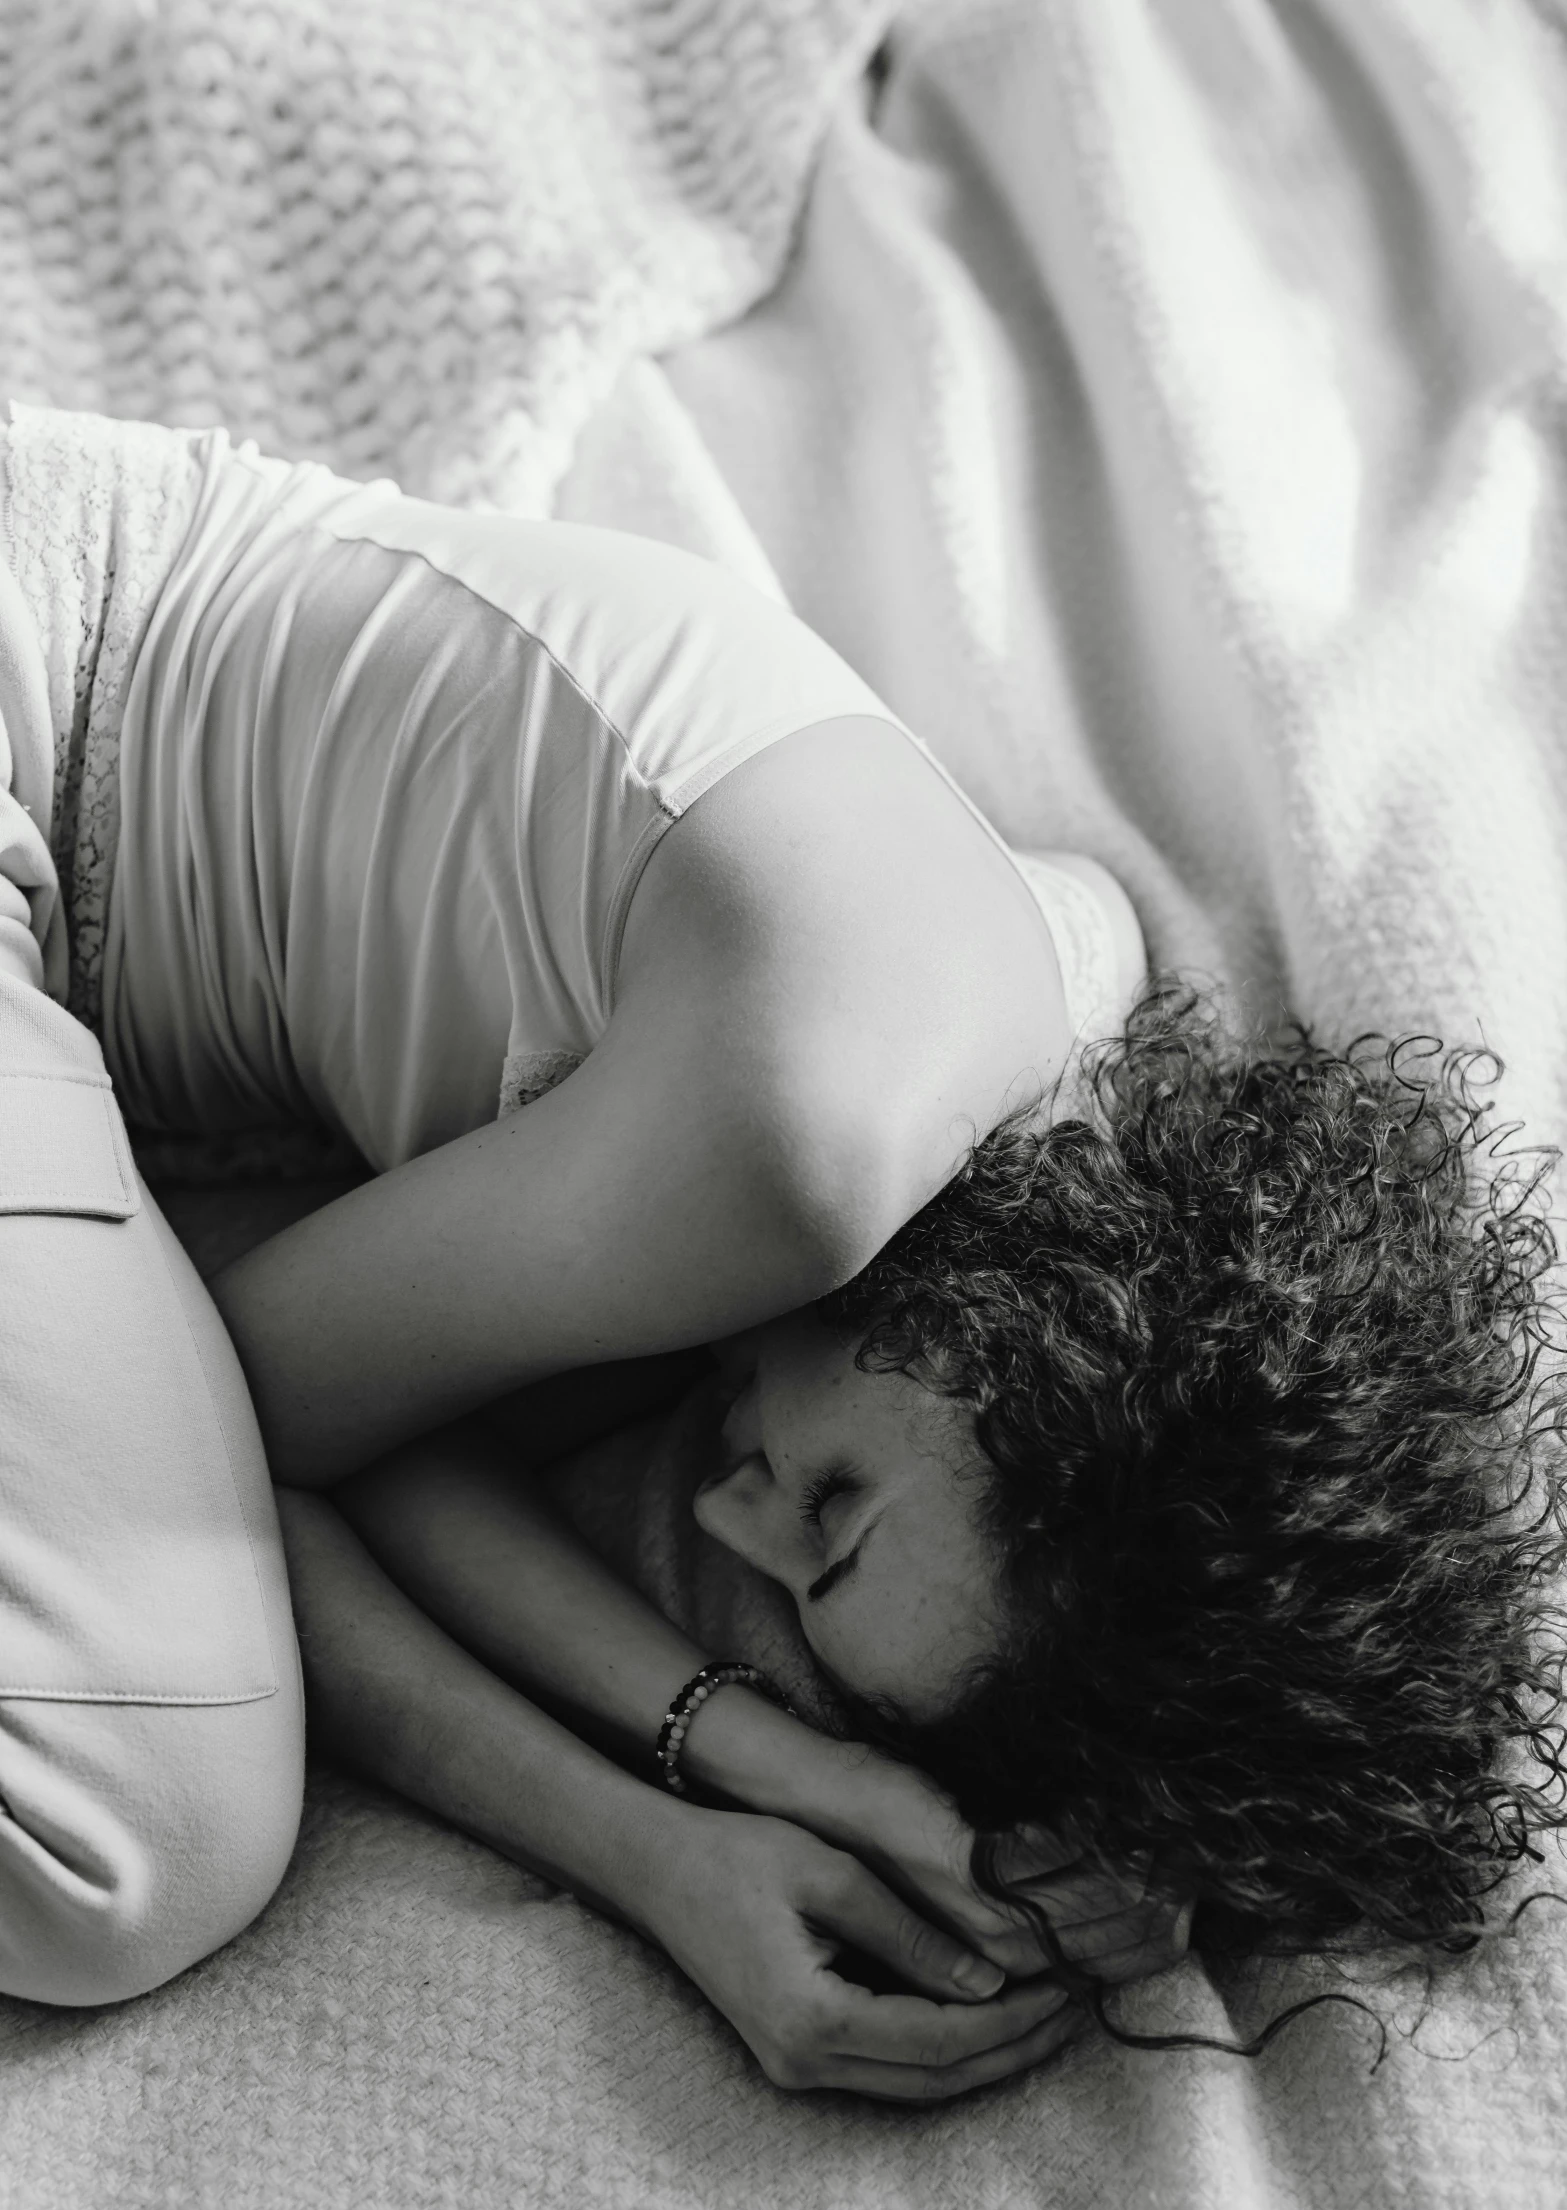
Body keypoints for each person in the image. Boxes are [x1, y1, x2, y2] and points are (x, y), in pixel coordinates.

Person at [0, 405, 1559, 2096]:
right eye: (829, 1509)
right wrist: (739, 1788)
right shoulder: (802, 1150)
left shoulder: (1027, 1040)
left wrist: (1028, 1799)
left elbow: (384, 1462)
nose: (729, 1507)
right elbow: (266, 1424)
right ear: (1041, 1355)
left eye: (789, 1569)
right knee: (136, 1852)